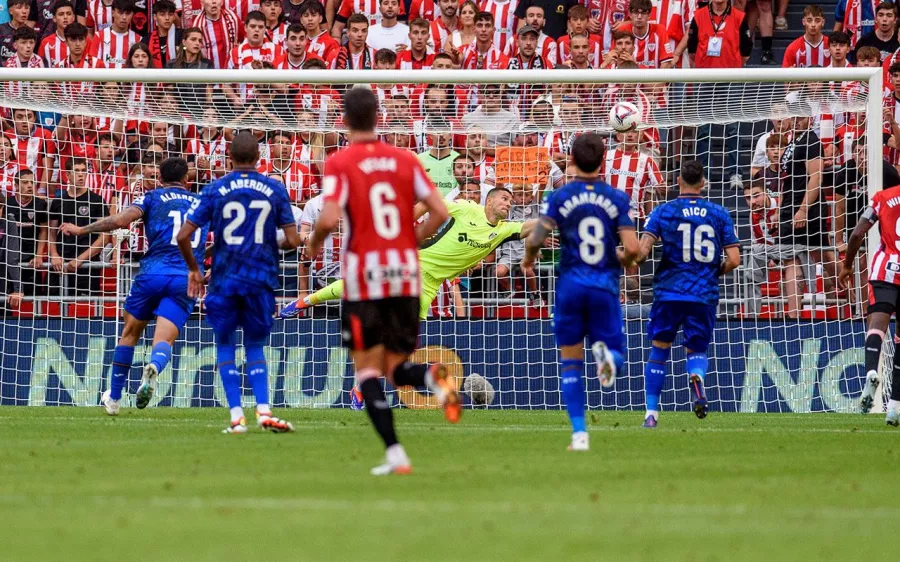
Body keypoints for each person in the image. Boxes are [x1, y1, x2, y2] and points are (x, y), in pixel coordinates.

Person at [302, 87, 455, 475]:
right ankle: (433, 377)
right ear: (380, 118)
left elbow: (326, 217)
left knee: (368, 371)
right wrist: (410, 240)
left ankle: (395, 455)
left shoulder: (340, 162)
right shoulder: (404, 160)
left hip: (364, 278)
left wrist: (314, 245)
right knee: (394, 367)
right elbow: (439, 211)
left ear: (344, 120)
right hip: (405, 273)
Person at [58, 158, 208, 414]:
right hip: (185, 277)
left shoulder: (151, 197)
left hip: (152, 274)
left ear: (159, 178)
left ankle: (114, 399)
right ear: (187, 180)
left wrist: (82, 230)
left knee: (129, 333)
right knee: (164, 340)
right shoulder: (204, 204)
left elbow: (118, 222)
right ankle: (154, 368)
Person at [520, 132, 639, 451]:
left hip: (571, 285)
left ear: (570, 159)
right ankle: (609, 358)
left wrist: (529, 260)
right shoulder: (616, 198)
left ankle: (579, 435)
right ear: (603, 161)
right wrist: (621, 258)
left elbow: (534, 239)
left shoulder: (560, 198)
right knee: (617, 352)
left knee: (570, 362)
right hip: (604, 285)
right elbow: (633, 249)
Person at [177, 131, 300, 434]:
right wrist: (269, 242)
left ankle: (236, 417)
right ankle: (263, 410)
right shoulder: (274, 188)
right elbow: (294, 241)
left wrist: (194, 269)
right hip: (260, 280)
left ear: (229, 157)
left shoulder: (215, 189)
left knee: (225, 345)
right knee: (255, 345)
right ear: (260, 158)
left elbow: (183, 236)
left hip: (225, 280)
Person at [635, 160, 741, 427]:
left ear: (678, 182)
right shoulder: (719, 213)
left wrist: (621, 254)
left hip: (669, 291)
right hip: (703, 293)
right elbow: (735, 259)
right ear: (703, 183)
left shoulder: (663, 212)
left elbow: (642, 253)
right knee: (696, 348)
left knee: (659, 349)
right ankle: (697, 377)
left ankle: (651, 413)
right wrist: (713, 272)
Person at [839, 181, 900, 424]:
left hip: (886, 270)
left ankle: (871, 371)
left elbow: (856, 234)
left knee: (876, 326)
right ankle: (894, 407)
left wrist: (847, 265)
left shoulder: (883, 197)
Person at [89, 0, 139, 69]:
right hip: (103, 79)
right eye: (120, 13)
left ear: (132, 15)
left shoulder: (138, 39)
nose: (124, 17)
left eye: (127, 13)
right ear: (113, 13)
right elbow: (93, 65)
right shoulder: (99, 37)